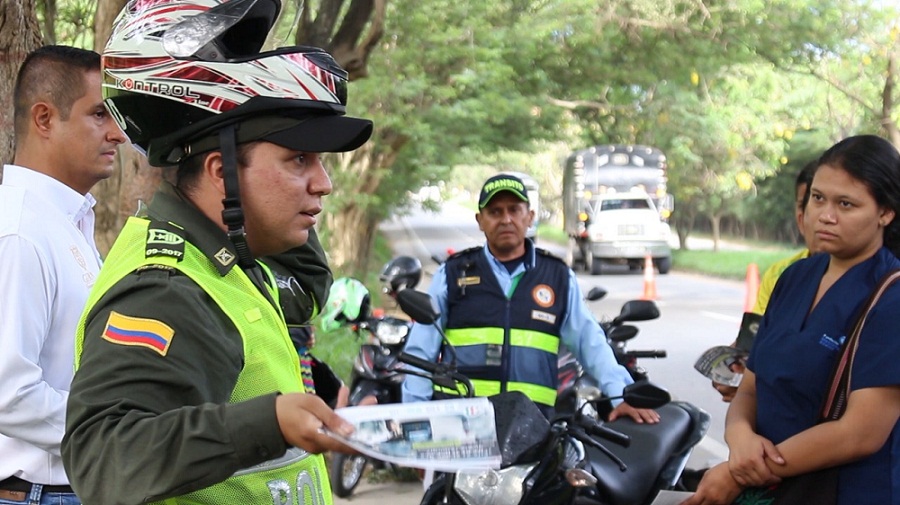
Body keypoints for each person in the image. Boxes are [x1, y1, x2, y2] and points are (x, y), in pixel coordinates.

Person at [60, 0, 373, 503]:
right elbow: (102, 455)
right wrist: (268, 422)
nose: (325, 183)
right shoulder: (164, 287)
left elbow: (306, 289)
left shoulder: (230, 258)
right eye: (299, 160)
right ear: (222, 174)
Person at [682, 134, 900, 505]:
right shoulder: (795, 277)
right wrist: (739, 437)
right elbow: (751, 387)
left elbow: (860, 433)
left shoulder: (890, 296)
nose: (825, 215)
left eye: (846, 204)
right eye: (818, 198)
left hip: (842, 492)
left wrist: (738, 472)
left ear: (885, 212)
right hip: (770, 486)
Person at [402, 173, 659, 423]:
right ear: (480, 221)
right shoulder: (453, 273)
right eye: (495, 212)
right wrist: (412, 415)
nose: (506, 219)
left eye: (514, 210)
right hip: (463, 425)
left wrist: (620, 395)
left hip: (533, 426)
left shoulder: (557, 276)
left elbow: (589, 341)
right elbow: (421, 350)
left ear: (530, 217)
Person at [0, 45, 127, 505]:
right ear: (44, 119)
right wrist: (116, 433)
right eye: (99, 114)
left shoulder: (64, 224)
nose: (118, 135)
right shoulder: (17, 231)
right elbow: (6, 391)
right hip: (36, 492)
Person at [711, 160, 821, 403]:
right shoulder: (783, 273)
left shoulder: (879, 286)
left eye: (843, 203)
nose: (818, 214)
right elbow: (756, 341)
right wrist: (734, 370)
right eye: (813, 200)